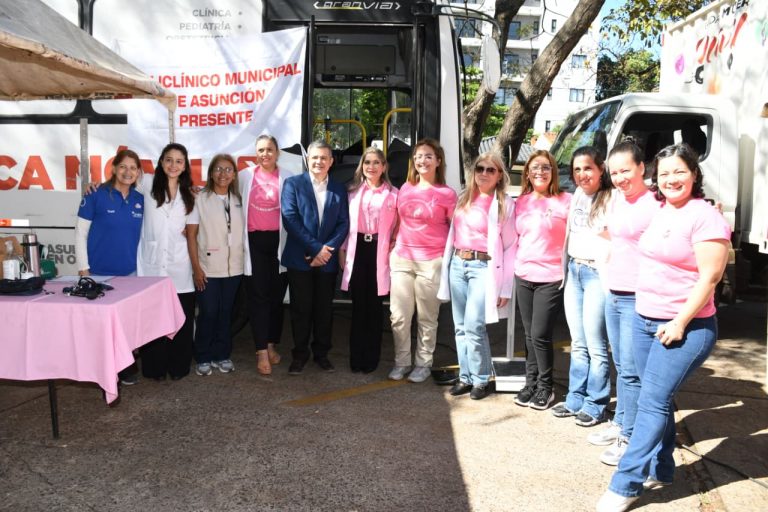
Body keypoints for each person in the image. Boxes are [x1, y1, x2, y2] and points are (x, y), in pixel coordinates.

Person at [597, 143, 730, 511]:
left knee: (651, 401)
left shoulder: (706, 216)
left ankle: (625, 483)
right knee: (656, 399)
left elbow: (711, 277)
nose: (671, 179)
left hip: (685, 327)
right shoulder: (660, 210)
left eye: (679, 172)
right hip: (643, 317)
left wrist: (680, 321)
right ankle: (663, 467)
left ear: (695, 174)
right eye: (665, 172)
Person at [590, 137, 660, 466]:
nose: (619, 178)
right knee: (621, 365)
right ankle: (620, 421)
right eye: (614, 172)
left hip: (637, 297)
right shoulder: (619, 200)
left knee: (632, 371)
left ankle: (629, 436)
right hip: (614, 291)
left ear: (642, 168)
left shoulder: (655, 204)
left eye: (625, 171)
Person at [437, 152, 516, 400]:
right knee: (459, 326)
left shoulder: (504, 203)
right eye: (480, 168)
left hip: (484, 268)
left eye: (490, 170)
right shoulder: (464, 198)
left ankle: (481, 379)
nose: (483, 173)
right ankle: (465, 376)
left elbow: (510, 246)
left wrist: (505, 288)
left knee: (474, 325)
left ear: (499, 175)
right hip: (458, 264)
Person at [551, 147, 613, 426]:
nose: (581, 174)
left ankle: (596, 402)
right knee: (578, 342)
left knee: (595, 344)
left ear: (601, 169)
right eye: (577, 169)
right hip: (574, 271)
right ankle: (575, 397)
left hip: (596, 273)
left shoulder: (613, 198)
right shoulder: (577, 195)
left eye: (588, 168)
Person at [388, 138, 458, 383]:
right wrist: (392, 247)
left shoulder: (447, 194)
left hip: (431, 261)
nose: (422, 160)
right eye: (418, 156)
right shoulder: (405, 188)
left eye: (428, 156)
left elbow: (455, 229)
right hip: (402, 260)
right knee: (398, 316)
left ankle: (423, 363)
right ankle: (402, 361)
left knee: (427, 317)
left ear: (438, 161)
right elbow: (397, 221)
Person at [75, 148, 144, 385]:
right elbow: (80, 233)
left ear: (138, 173)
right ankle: (103, 373)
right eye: (123, 166)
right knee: (101, 328)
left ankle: (124, 367)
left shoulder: (140, 200)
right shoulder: (96, 194)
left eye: (133, 168)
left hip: (130, 273)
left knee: (126, 324)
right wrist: (84, 271)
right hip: (98, 273)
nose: (127, 172)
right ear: (114, 168)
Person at [281, 140, 350, 375]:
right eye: (314, 158)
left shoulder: (339, 189)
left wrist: (326, 250)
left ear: (331, 162)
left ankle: (322, 354)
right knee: (301, 309)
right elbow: (290, 219)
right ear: (307, 160)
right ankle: (299, 355)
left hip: (326, 260)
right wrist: (315, 249)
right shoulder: (293, 184)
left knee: (324, 310)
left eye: (324, 158)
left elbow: (343, 223)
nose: (319, 161)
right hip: (300, 258)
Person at [513, 150, 571, 410]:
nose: (540, 171)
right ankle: (531, 383)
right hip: (524, 274)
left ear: (553, 172)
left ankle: (546, 388)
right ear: (527, 171)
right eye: (534, 167)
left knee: (540, 334)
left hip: (551, 276)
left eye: (545, 167)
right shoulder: (521, 201)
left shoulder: (566, 200)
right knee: (528, 335)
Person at [137, 143, 196, 381]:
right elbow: (123, 176)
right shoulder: (149, 183)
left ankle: (179, 368)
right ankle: (154, 370)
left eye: (179, 161)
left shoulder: (190, 194)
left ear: (185, 166)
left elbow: (192, 231)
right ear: (161, 162)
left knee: (180, 321)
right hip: (151, 267)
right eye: (169, 160)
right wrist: (95, 186)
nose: (173, 165)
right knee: (152, 322)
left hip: (179, 267)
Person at [339, 148, 399, 373]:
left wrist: (393, 248)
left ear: (384, 167)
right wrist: (342, 252)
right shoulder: (352, 192)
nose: (371, 167)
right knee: (358, 307)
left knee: (374, 309)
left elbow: (399, 226)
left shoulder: (394, 194)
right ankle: (357, 359)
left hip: (379, 252)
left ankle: (371, 359)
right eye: (367, 163)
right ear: (361, 166)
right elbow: (346, 225)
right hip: (358, 251)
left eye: (376, 163)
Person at [186, 154, 244, 376]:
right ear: (211, 173)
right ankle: (203, 356)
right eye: (218, 169)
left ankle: (222, 354)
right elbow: (191, 236)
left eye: (228, 170)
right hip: (208, 267)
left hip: (234, 268)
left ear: (234, 175)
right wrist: (196, 268)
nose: (223, 174)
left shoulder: (238, 199)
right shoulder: (199, 198)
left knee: (225, 312)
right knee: (208, 312)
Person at [239, 135, 292, 375]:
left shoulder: (288, 176)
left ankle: (271, 344)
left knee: (276, 297)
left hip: (279, 243)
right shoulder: (245, 176)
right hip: (254, 243)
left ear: (277, 152)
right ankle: (261, 350)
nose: (265, 154)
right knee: (258, 297)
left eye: (269, 149)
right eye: (261, 150)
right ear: (255, 153)